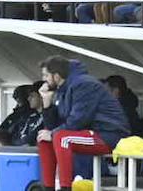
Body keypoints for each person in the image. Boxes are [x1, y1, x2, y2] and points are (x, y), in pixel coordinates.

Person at [36, 56, 131, 187]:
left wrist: (53, 133)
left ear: (56, 76)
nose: (44, 79)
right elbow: (55, 126)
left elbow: (78, 121)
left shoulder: (84, 84)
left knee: (61, 137)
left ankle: (65, 187)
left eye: (46, 75)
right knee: (44, 138)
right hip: (87, 133)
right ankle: (48, 187)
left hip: (108, 135)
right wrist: (47, 104)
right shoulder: (62, 90)